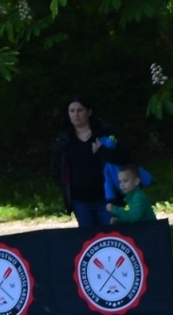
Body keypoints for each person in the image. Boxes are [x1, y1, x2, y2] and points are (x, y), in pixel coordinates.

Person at [50, 95, 127, 228]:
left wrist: (103, 152)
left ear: (89, 112)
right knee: (89, 237)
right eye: (72, 111)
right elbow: (56, 169)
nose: (76, 114)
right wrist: (69, 188)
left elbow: (124, 157)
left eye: (80, 110)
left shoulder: (104, 133)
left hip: (106, 197)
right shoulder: (64, 140)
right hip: (80, 201)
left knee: (110, 234)